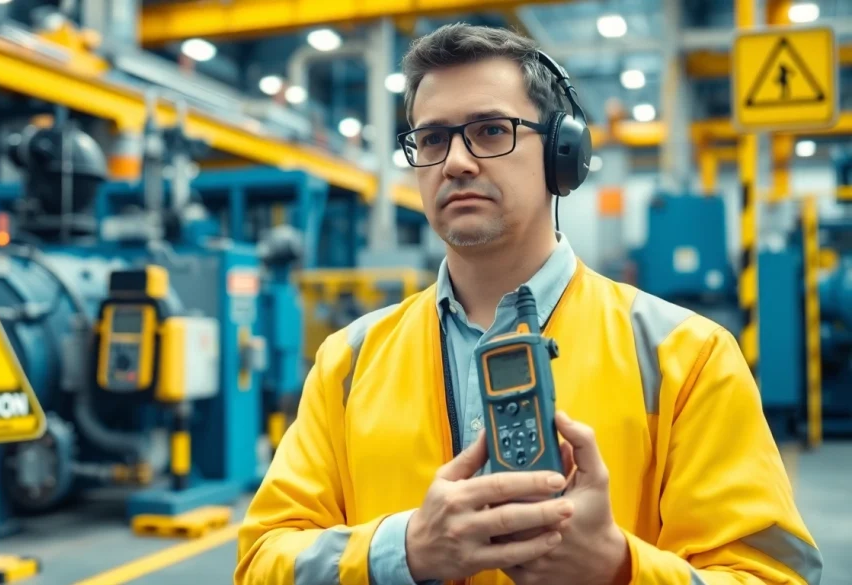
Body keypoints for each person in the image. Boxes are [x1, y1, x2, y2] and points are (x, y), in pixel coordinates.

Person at [234, 23, 822, 585]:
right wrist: (405, 549)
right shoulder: (350, 362)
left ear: (563, 154)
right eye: (433, 138)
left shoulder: (684, 358)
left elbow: (770, 573)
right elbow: (264, 558)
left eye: (491, 130)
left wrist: (616, 569)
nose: (457, 162)